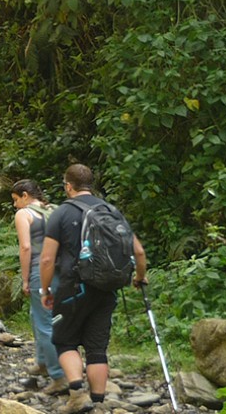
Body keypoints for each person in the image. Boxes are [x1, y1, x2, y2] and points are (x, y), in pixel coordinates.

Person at [38, 164, 148, 413]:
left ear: (68, 185)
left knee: (64, 341)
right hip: (106, 289)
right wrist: (139, 277)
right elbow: (138, 251)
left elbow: (46, 259)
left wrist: (45, 290)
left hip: (73, 288)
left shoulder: (61, 214)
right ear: (91, 184)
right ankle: (98, 403)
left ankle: (77, 394)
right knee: (97, 349)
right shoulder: (110, 210)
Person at [12, 179, 69, 395]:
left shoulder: (24, 215)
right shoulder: (54, 210)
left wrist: (25, 279)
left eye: (16, 200)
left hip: (39, 271)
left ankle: (59, 376)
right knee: (38, 316)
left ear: (25, 195)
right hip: (61, 271)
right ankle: (43, 361)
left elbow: (26, 247)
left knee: (46, 324)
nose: (15, 205)